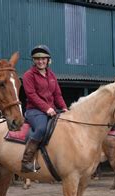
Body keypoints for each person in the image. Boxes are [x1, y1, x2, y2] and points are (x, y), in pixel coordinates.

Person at [21, 44, 68, 173]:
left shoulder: (52, 75)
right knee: (41, 128)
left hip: (51, 110)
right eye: (37, 59)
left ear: (48, 60)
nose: (40, 61)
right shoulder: (28, 75)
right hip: (34, 111)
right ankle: (26, 161)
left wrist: (64, 108)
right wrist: (47, 108)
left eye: (43, 59)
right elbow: (31, 95)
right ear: (34, 60)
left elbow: (57, 95)